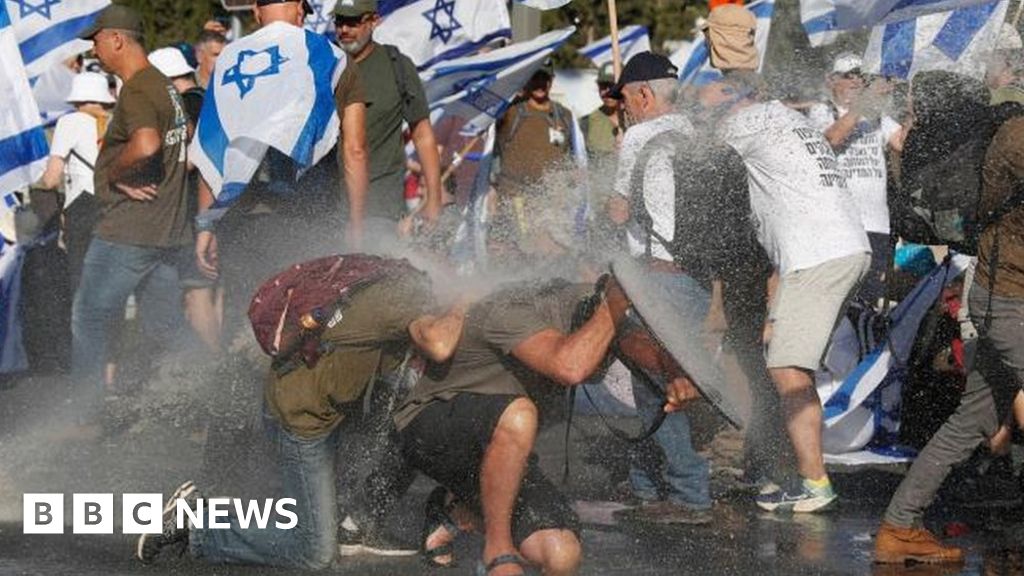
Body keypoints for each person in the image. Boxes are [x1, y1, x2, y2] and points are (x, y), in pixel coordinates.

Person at [136, 256, 469, 569]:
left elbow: (393, 373)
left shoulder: (383, 286)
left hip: (307, 404)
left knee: (307, 515)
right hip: (302, 421)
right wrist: (466, 301)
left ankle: (219, 514)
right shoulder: (405, 299)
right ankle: (197, 527)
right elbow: (438, 342)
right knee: (314, 551)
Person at [395, 272, 701, 576]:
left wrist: (675, 371)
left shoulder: (593, 309)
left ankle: (455, 511)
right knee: (519, 414)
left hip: (504, 451)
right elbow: (569, 366)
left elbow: (645, 347)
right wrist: (612, 308)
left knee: (562, 554)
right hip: (430, 429)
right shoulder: (512, 307)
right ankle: (497, 550)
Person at [700, 26, 871, 511]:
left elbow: (702, 154)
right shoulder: (785, 120)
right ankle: (792, 474)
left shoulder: (745, 123)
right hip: (839, 251)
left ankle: (815, 482)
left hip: (820, 257)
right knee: (785, 361)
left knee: (787, 371)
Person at [873, 76, 1024, 564]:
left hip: (995, 297)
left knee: (971, 421)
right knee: (973, 420)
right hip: (1014, 304)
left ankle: (899, 527)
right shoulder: (1016, 136)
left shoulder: (1008, 131)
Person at [193, 0, 370, 340]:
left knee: (246, 323)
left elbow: (213, 146)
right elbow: (356, 149)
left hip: (242, 223)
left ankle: (240, 391)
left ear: (257, 12)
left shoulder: (228, 59)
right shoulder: (330, 57)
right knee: (308, 325)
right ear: (301, 11)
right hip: (309, 217)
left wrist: (206, 224)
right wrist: (357, 228)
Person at [603, 52, 712, 524]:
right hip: (695, 278)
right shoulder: (694, 132)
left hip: (657, 275)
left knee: (657, 382)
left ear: (644, 95)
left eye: (625, 100)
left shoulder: (640, 136)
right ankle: (647, 484)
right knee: (662, 377)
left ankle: (689, 495)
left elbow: (619, 212)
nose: (623, 110)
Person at [72, 5, 192, 413]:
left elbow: (147, 145)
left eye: (97, 41)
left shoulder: (140, 89)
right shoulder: (164, 86)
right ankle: (213, 387)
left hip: (128, 231)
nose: (94, 50)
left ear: (117, 39)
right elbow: (184, 136)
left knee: (88, 317)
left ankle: (87, 416)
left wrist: (117, 173)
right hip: (162, 229)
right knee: (167, 327)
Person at [334, 0, 443, 235]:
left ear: (374, 21)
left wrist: (434, 200)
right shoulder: (326, 64)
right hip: (330, 207)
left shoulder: (397, 67)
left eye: (352, 22)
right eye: (339, 21)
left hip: (380, 207)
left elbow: (423, 136)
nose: (344, 30)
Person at [807, 53, 904, 305]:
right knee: (838, 298)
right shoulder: (822, 110)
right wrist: (862, 106)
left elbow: (903, 143)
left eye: (861, 76)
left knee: (870, 298)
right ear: (832, 81)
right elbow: (830, 140)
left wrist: (912, 103)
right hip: (840, 224)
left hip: (876, 225)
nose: (856, 82)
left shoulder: (877, 116)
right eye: (848, 76)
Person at [148, 46, 222, 353]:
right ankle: (222, 359)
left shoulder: (183, 106)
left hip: (194, 209)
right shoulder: (208, 100)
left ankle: (215, 364)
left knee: (196, 293)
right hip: (218, 204)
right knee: (216, 292)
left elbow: (191, 157)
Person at [491, 65, 581, 259]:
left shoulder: (563, 115)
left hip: (551, 198)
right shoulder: (511, 112)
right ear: (528, 80)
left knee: (553, 250)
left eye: (544, 79)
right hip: (515, 195)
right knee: (522, 248)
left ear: (551, 81)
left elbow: (573, 154)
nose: (540, 84)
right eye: (535, 78)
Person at [37, 72, 115, 290]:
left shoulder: (70, 121)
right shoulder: (115, 120)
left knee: (81, 277)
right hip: (115, 204)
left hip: (83, 205)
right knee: (108, 278)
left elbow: (52, 179)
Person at [581, 62, 621, 159]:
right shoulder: (585, 123)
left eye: (612, 86)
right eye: (603, 85)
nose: (608, 91)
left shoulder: (638, 120)